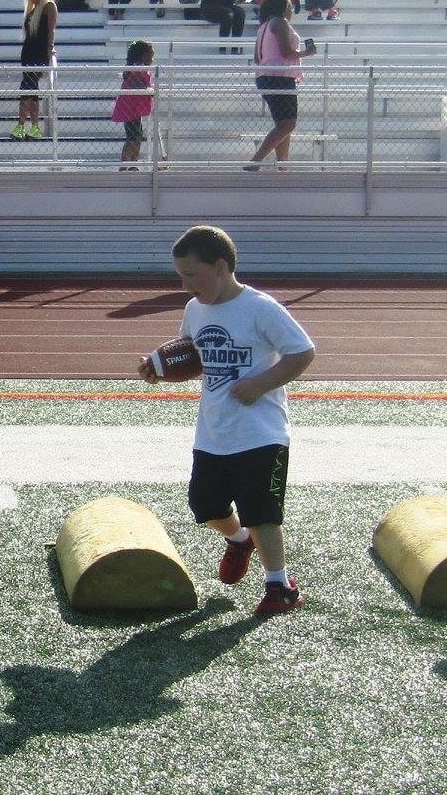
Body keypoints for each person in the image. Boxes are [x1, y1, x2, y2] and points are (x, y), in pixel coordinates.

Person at [138, 225, 315, 616]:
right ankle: (238, 539)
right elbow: (191, 356)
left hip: (261, 431)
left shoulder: (261, 308)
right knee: (205, 505)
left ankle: (279, 586)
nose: (184, 285)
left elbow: (302, 352)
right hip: (214, 431)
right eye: (179, 275)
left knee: (262, 512)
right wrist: (159, 370)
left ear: (220, 267)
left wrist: (260, 384)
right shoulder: (194, 309)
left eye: (191, 274)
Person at [246, 0, 315, 172]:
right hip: (280, 77)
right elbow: (286, 52)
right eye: (290, 6)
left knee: (283, 124)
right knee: (288, 123)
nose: (291, 10)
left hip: (265, 77)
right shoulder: (280, 22)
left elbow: (256, 58)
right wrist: (307, 53)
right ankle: (256, 161)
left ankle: (283, 165)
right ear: (284, 7)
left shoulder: (263, 26)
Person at [13, 0, 57, 141]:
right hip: (28, 52)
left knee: (27, 90)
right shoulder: (31, 10)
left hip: (39, 54)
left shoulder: (48, 6)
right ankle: (33, 127)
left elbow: (51, 30)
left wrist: (50, 47)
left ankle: (22, 125)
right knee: (31, 91)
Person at [113, 39, 154, 170]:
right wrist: (150, 91)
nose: (152, 59)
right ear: (142, 55)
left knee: (136, 136)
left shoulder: (139, 68)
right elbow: (137, 85)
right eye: (150, 56)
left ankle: (132, 164)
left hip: (133, 109)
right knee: (133, 137)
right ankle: (125, 164)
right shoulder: (136, 68)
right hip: (129, 109)